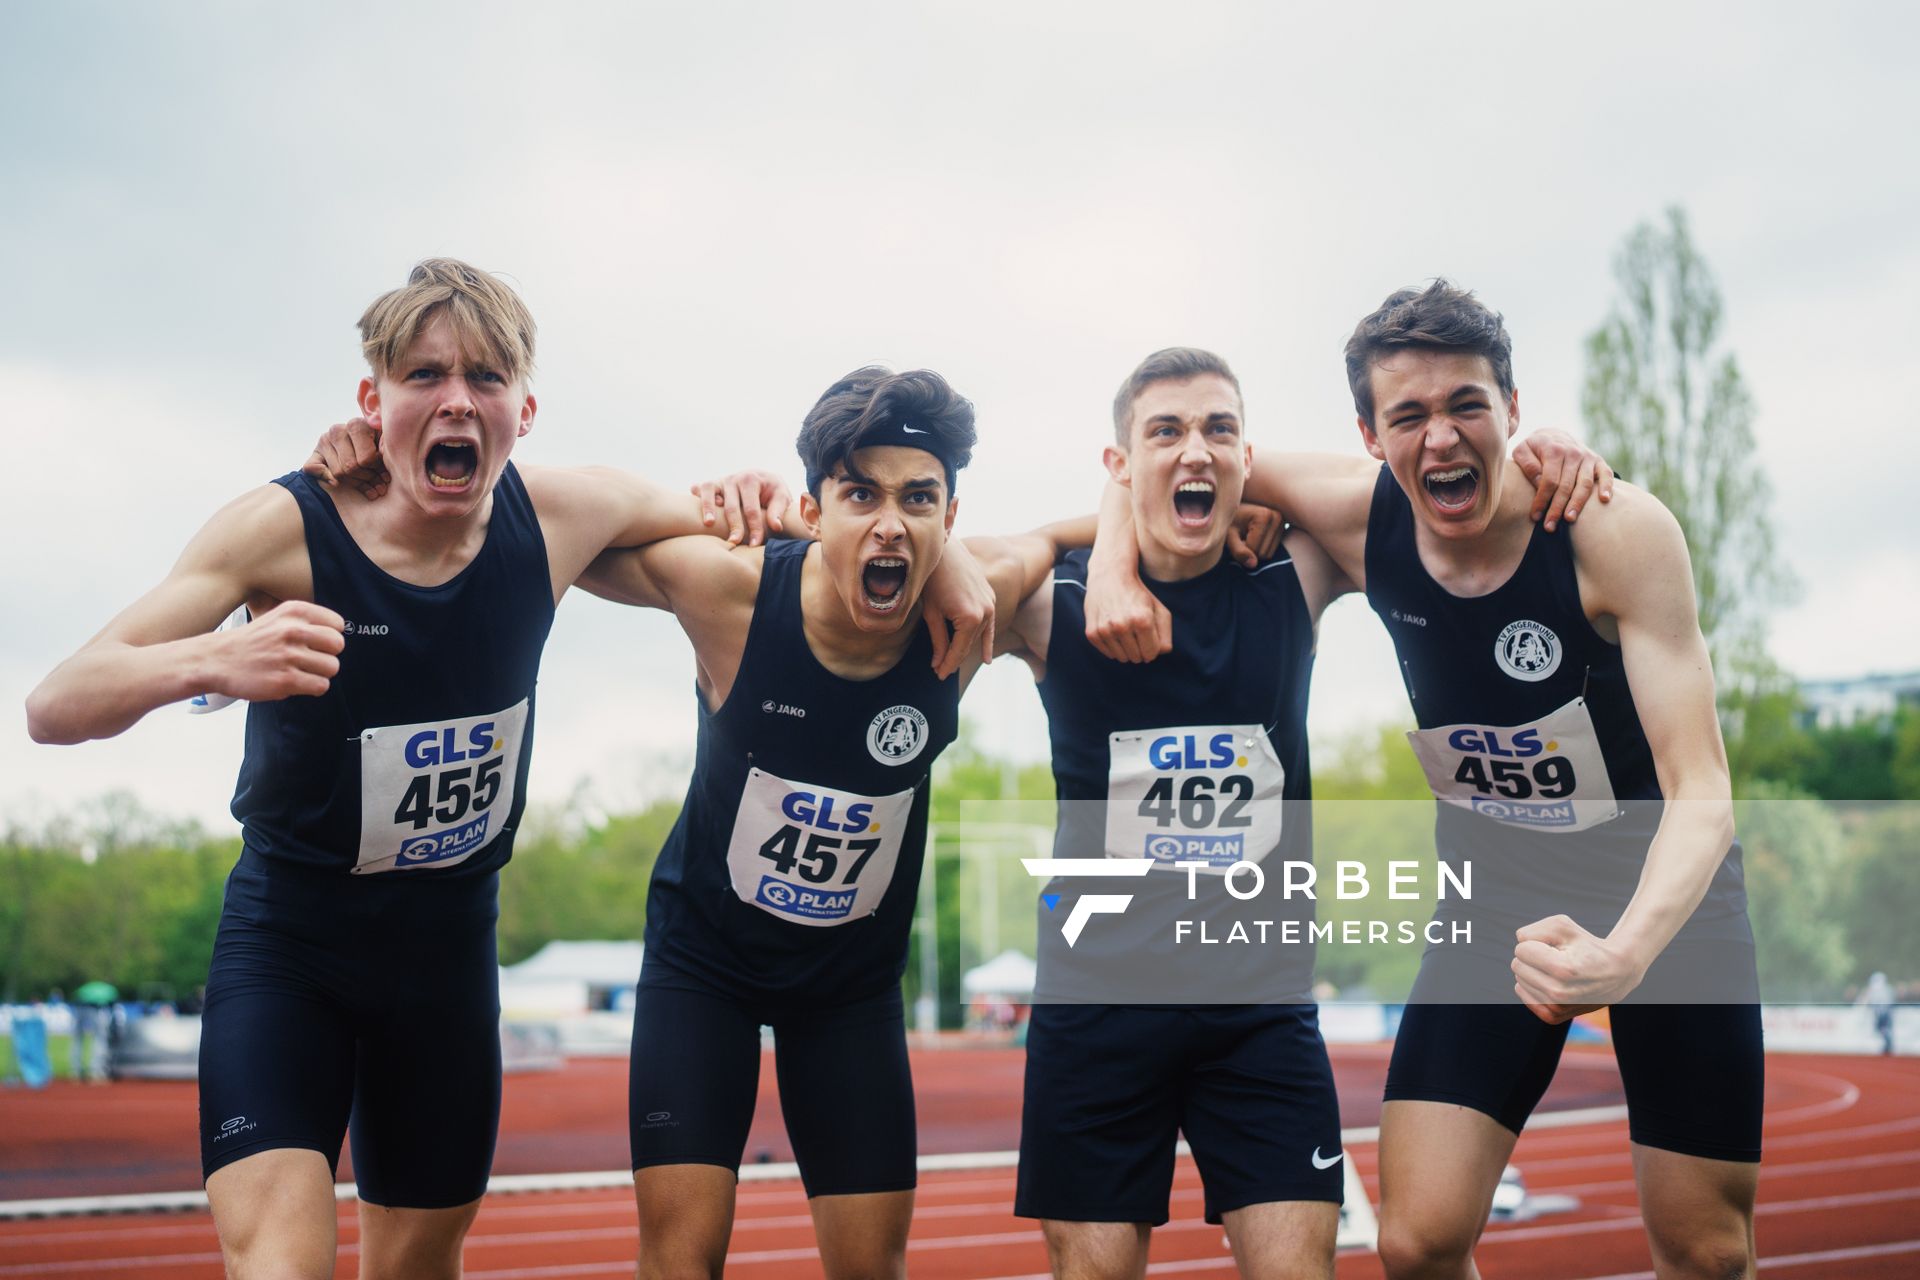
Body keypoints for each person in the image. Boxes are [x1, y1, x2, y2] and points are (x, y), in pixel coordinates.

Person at [24, 258, 798, 1280]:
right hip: (290, 949)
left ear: (524, 407)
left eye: (483, 378)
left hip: (444, 965)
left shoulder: (563, 514)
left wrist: (750, 491)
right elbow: (56, 701)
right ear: (370, 398)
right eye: (424, 375)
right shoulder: (285, 528)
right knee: (282, 1263)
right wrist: (215, 658)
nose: (456, 400)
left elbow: (757, 526)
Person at [1092, 282, 1757, 1279]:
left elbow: (1703, 790)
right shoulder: (1363, 519)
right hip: (1496, 903)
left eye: (1467, 406)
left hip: (1665, 897)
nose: (1440, 438)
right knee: (1414, 1238)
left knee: (1704, 1247)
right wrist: (1110, 564)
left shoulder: (1614, 531)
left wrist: (1623, 955)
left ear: (1515, 409)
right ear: (1369, 432)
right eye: (1408, 415)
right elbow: (1166, 465)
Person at [577, 365, 1080, 1280]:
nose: (889, 523)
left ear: (952, 518)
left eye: (919, 499)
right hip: (705, 974)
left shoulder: (971, 616)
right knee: (679, 1262)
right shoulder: (732, 594)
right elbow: (564, 533)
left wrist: (1168, 540)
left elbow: (1060, 535)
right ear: (814, 510)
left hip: (848, 992)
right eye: (861, 495)